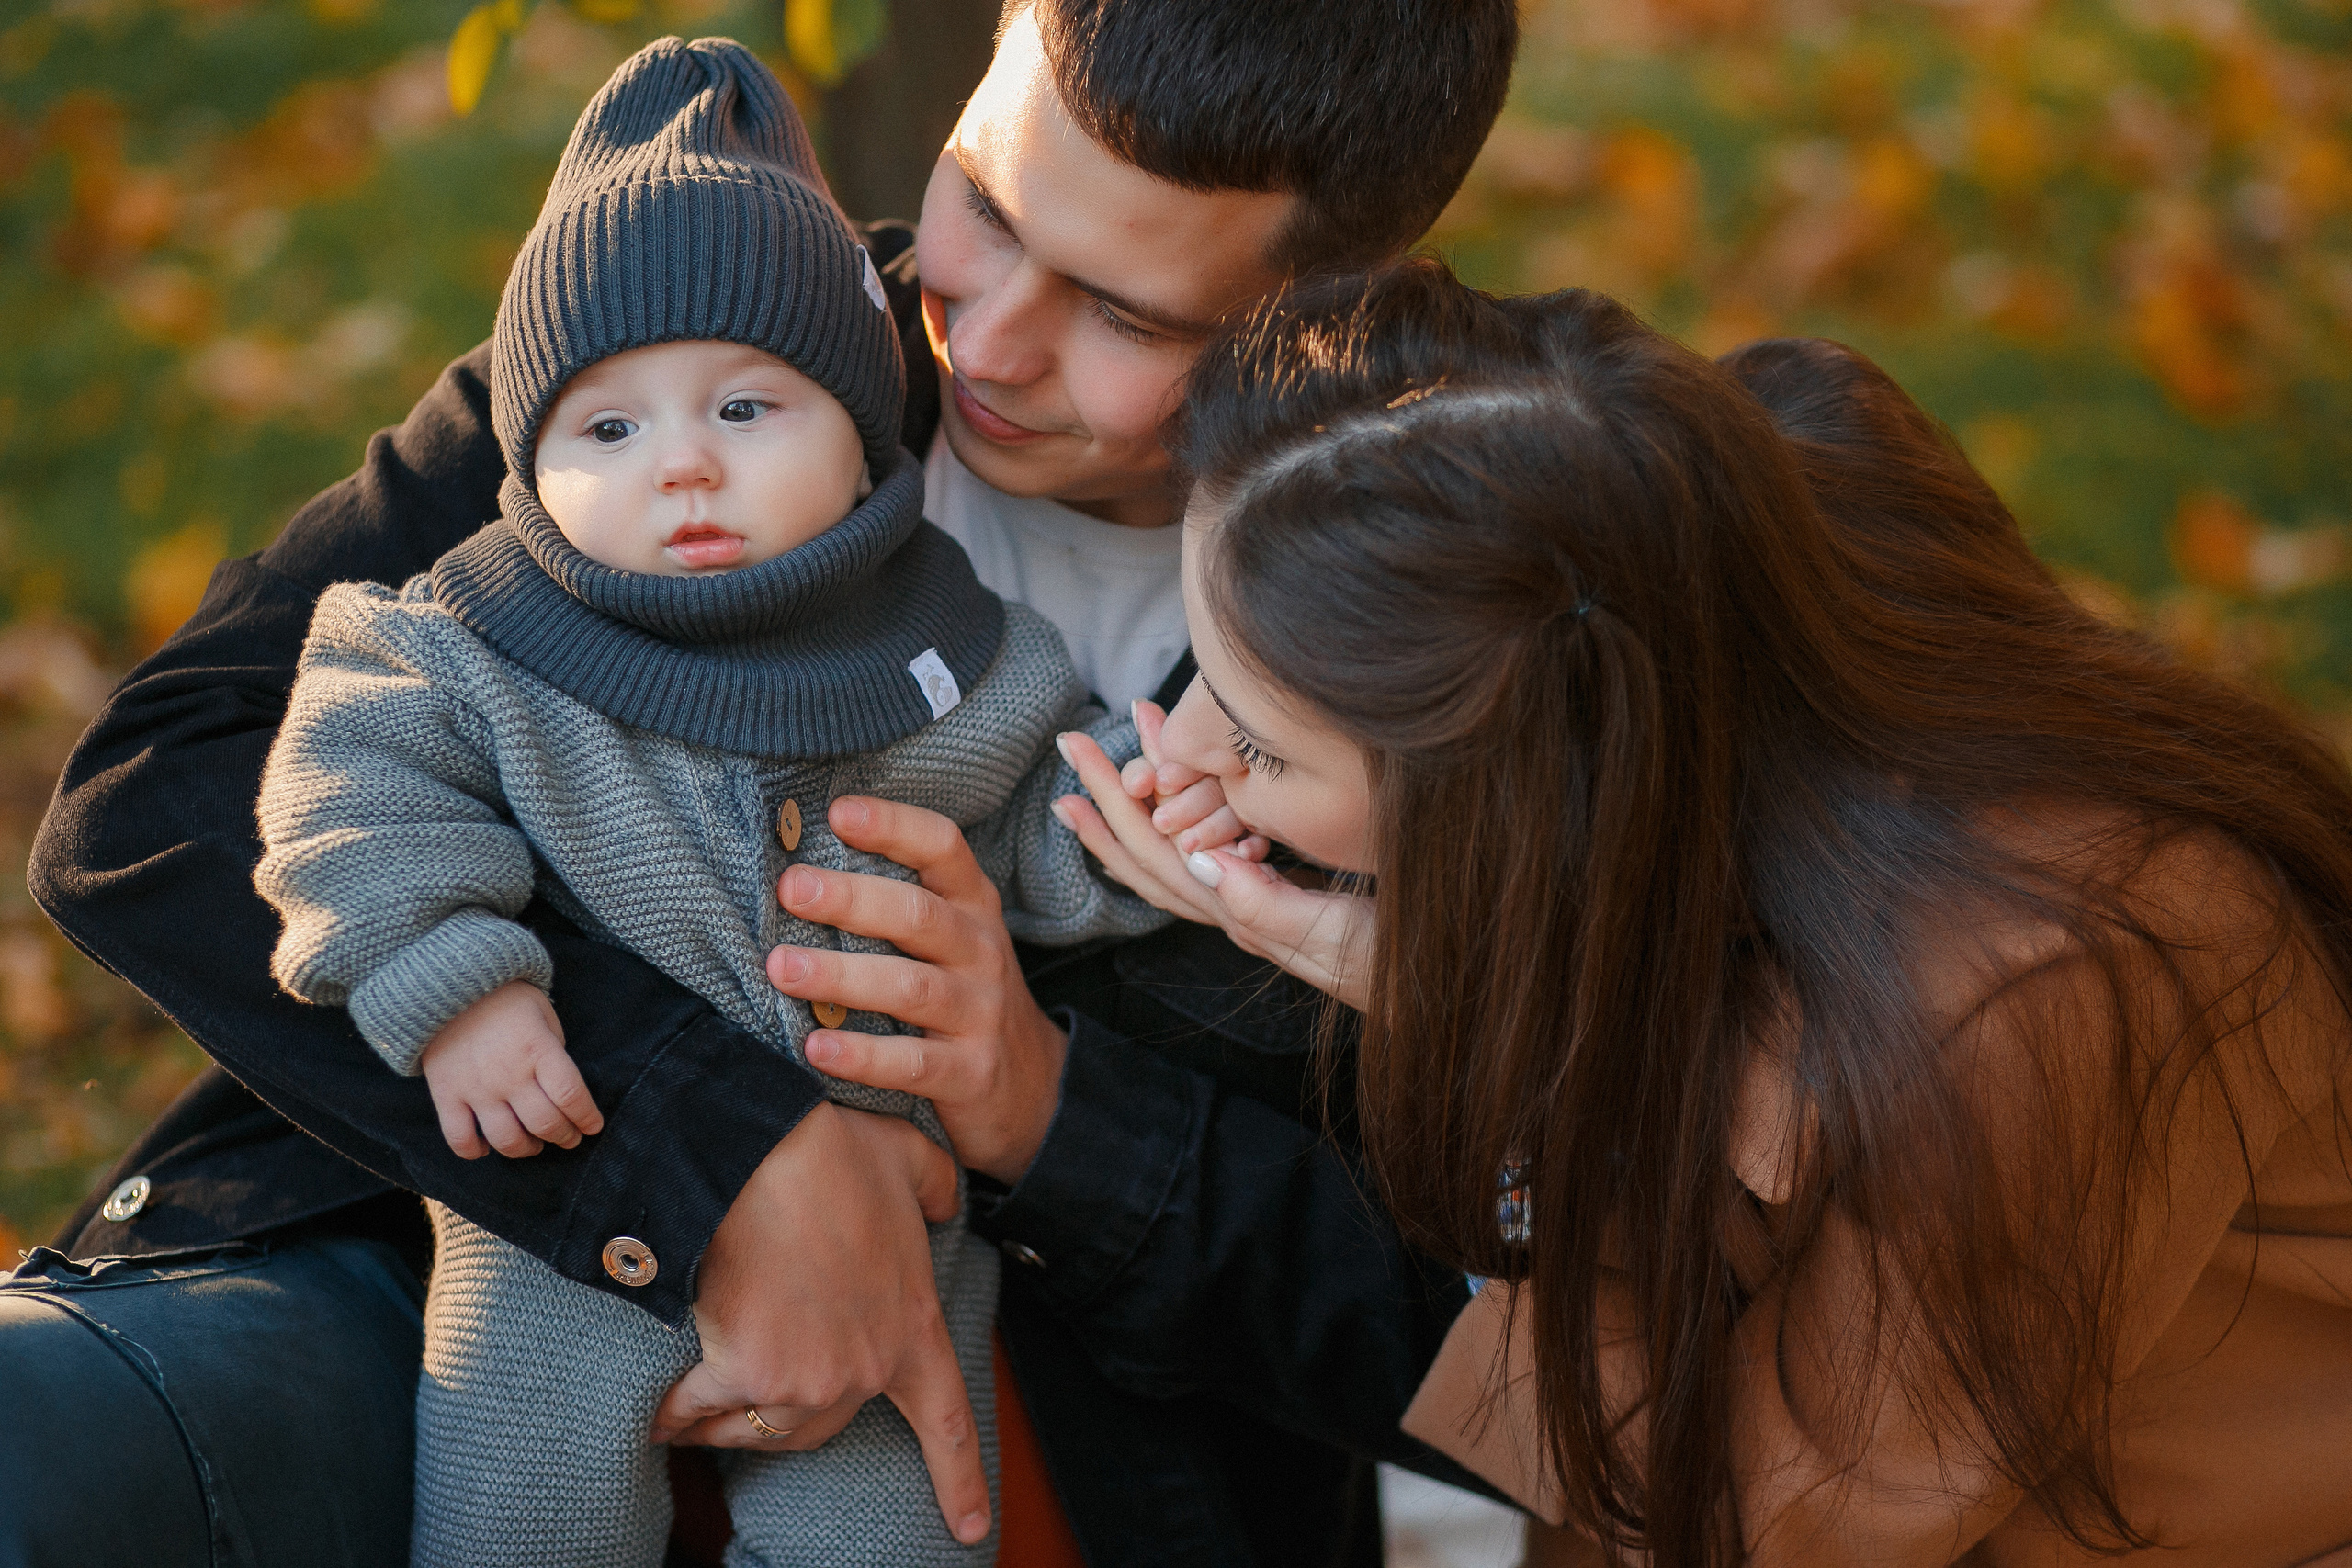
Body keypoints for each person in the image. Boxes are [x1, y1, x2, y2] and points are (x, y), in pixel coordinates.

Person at [13, 3, 1518, 1564]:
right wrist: (718, 1155)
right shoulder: (707, 313)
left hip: (1049, 1465)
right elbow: (151, 797)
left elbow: (1531, 1403)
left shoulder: (1439, 626)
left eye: (1128, 316)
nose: (984, 338)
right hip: (429, 1299)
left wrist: (1052, 1119)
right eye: (984, 211)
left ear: (1329, 303)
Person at [1051, 259, 2352, 1567]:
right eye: (1199, 669)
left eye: (1264, 748)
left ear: (1516, 786)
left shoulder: (2042, 1001)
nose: (1180, 759)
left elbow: (1748, 1525)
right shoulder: (1652, 538)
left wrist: (1468, 1019)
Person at [252, 38, 1192, 1565]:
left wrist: (1147, 827)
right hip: (558, 1222)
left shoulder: (968, 658)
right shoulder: (461, 638)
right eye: (607, 431)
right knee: (518, 1536)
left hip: (893, 1238)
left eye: (747, 410)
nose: (681, 468)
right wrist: (455, 989)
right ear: (530, 457)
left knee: (898, 1542)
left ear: (864, 429)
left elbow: (1047, 843)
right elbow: (348, 796)